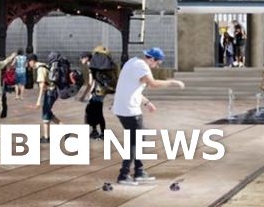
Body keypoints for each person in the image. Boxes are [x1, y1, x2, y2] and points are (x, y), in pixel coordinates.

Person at [112, 48, 185, 186]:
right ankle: (123, 174)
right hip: (130, 111)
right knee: (134, 142)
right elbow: (153, 84)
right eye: (158, 63)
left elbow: (132, 88)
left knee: (140, 137)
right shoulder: (142, 66)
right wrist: (172, 82)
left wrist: (146, 103)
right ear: (152, 59)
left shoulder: (132, 62)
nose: (157, 66)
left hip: (122, 109)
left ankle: (139, 172)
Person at [29, 53, 59, 143]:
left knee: (45, 113)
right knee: (48, 113)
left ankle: (46, 137)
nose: (28, 64)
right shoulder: (44, 65)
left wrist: (38, 101)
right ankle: (64, 129)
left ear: (32, 61)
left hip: (50, 92)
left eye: (28, 62)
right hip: (52, 91)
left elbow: (42, 86)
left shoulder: (40, 69)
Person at [77, 51, 107, 139]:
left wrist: (85, 95)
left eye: (82, 57)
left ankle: (102, 133)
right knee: (93, 111)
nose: (80, 59)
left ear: (86, 58)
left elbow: (91, 83)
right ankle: (95, 131)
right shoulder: (94, 64)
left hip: (97, 92)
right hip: (101, 91)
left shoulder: (92, 66)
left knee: (95, 112)